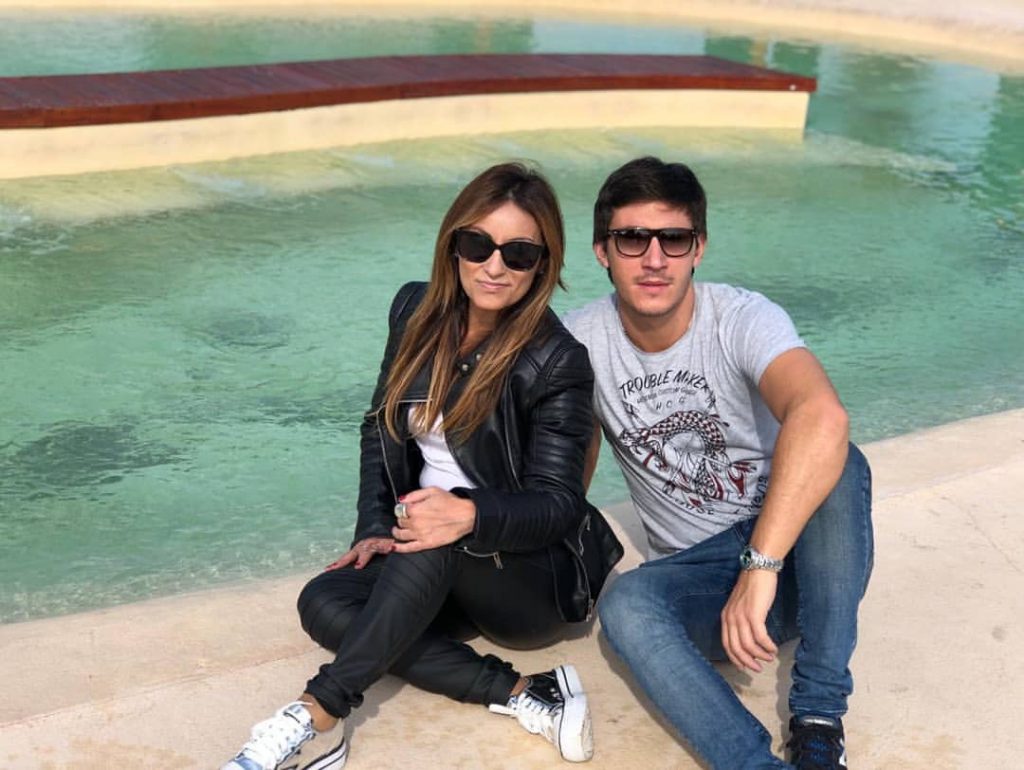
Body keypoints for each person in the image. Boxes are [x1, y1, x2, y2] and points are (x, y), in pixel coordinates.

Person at [222, 162, 605, 770]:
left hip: (526, 578)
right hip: (429, 555)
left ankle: (319, 715)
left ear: (543, 264)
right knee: (324, 602)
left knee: (433, 532)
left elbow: (559, 505)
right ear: (453, 244)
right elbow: (380, 426)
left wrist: (467, 514)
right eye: (477, 244)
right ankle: (523, 693)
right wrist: (375, 525)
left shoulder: (557, 360)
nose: (494, 266)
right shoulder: (414, 311)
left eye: (519, 253)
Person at [563, 157, 874, 770]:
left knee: (842, 460)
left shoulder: (741, 318)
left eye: (673, 239)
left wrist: (762, 565)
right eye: (632, 239)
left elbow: (821, 415)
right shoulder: (578, 344)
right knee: (628, 607)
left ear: (698, 248)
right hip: (702, 581)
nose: (654, 259)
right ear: (603, 251)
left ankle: (817, 720)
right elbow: (565, 470)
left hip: (799, 562)